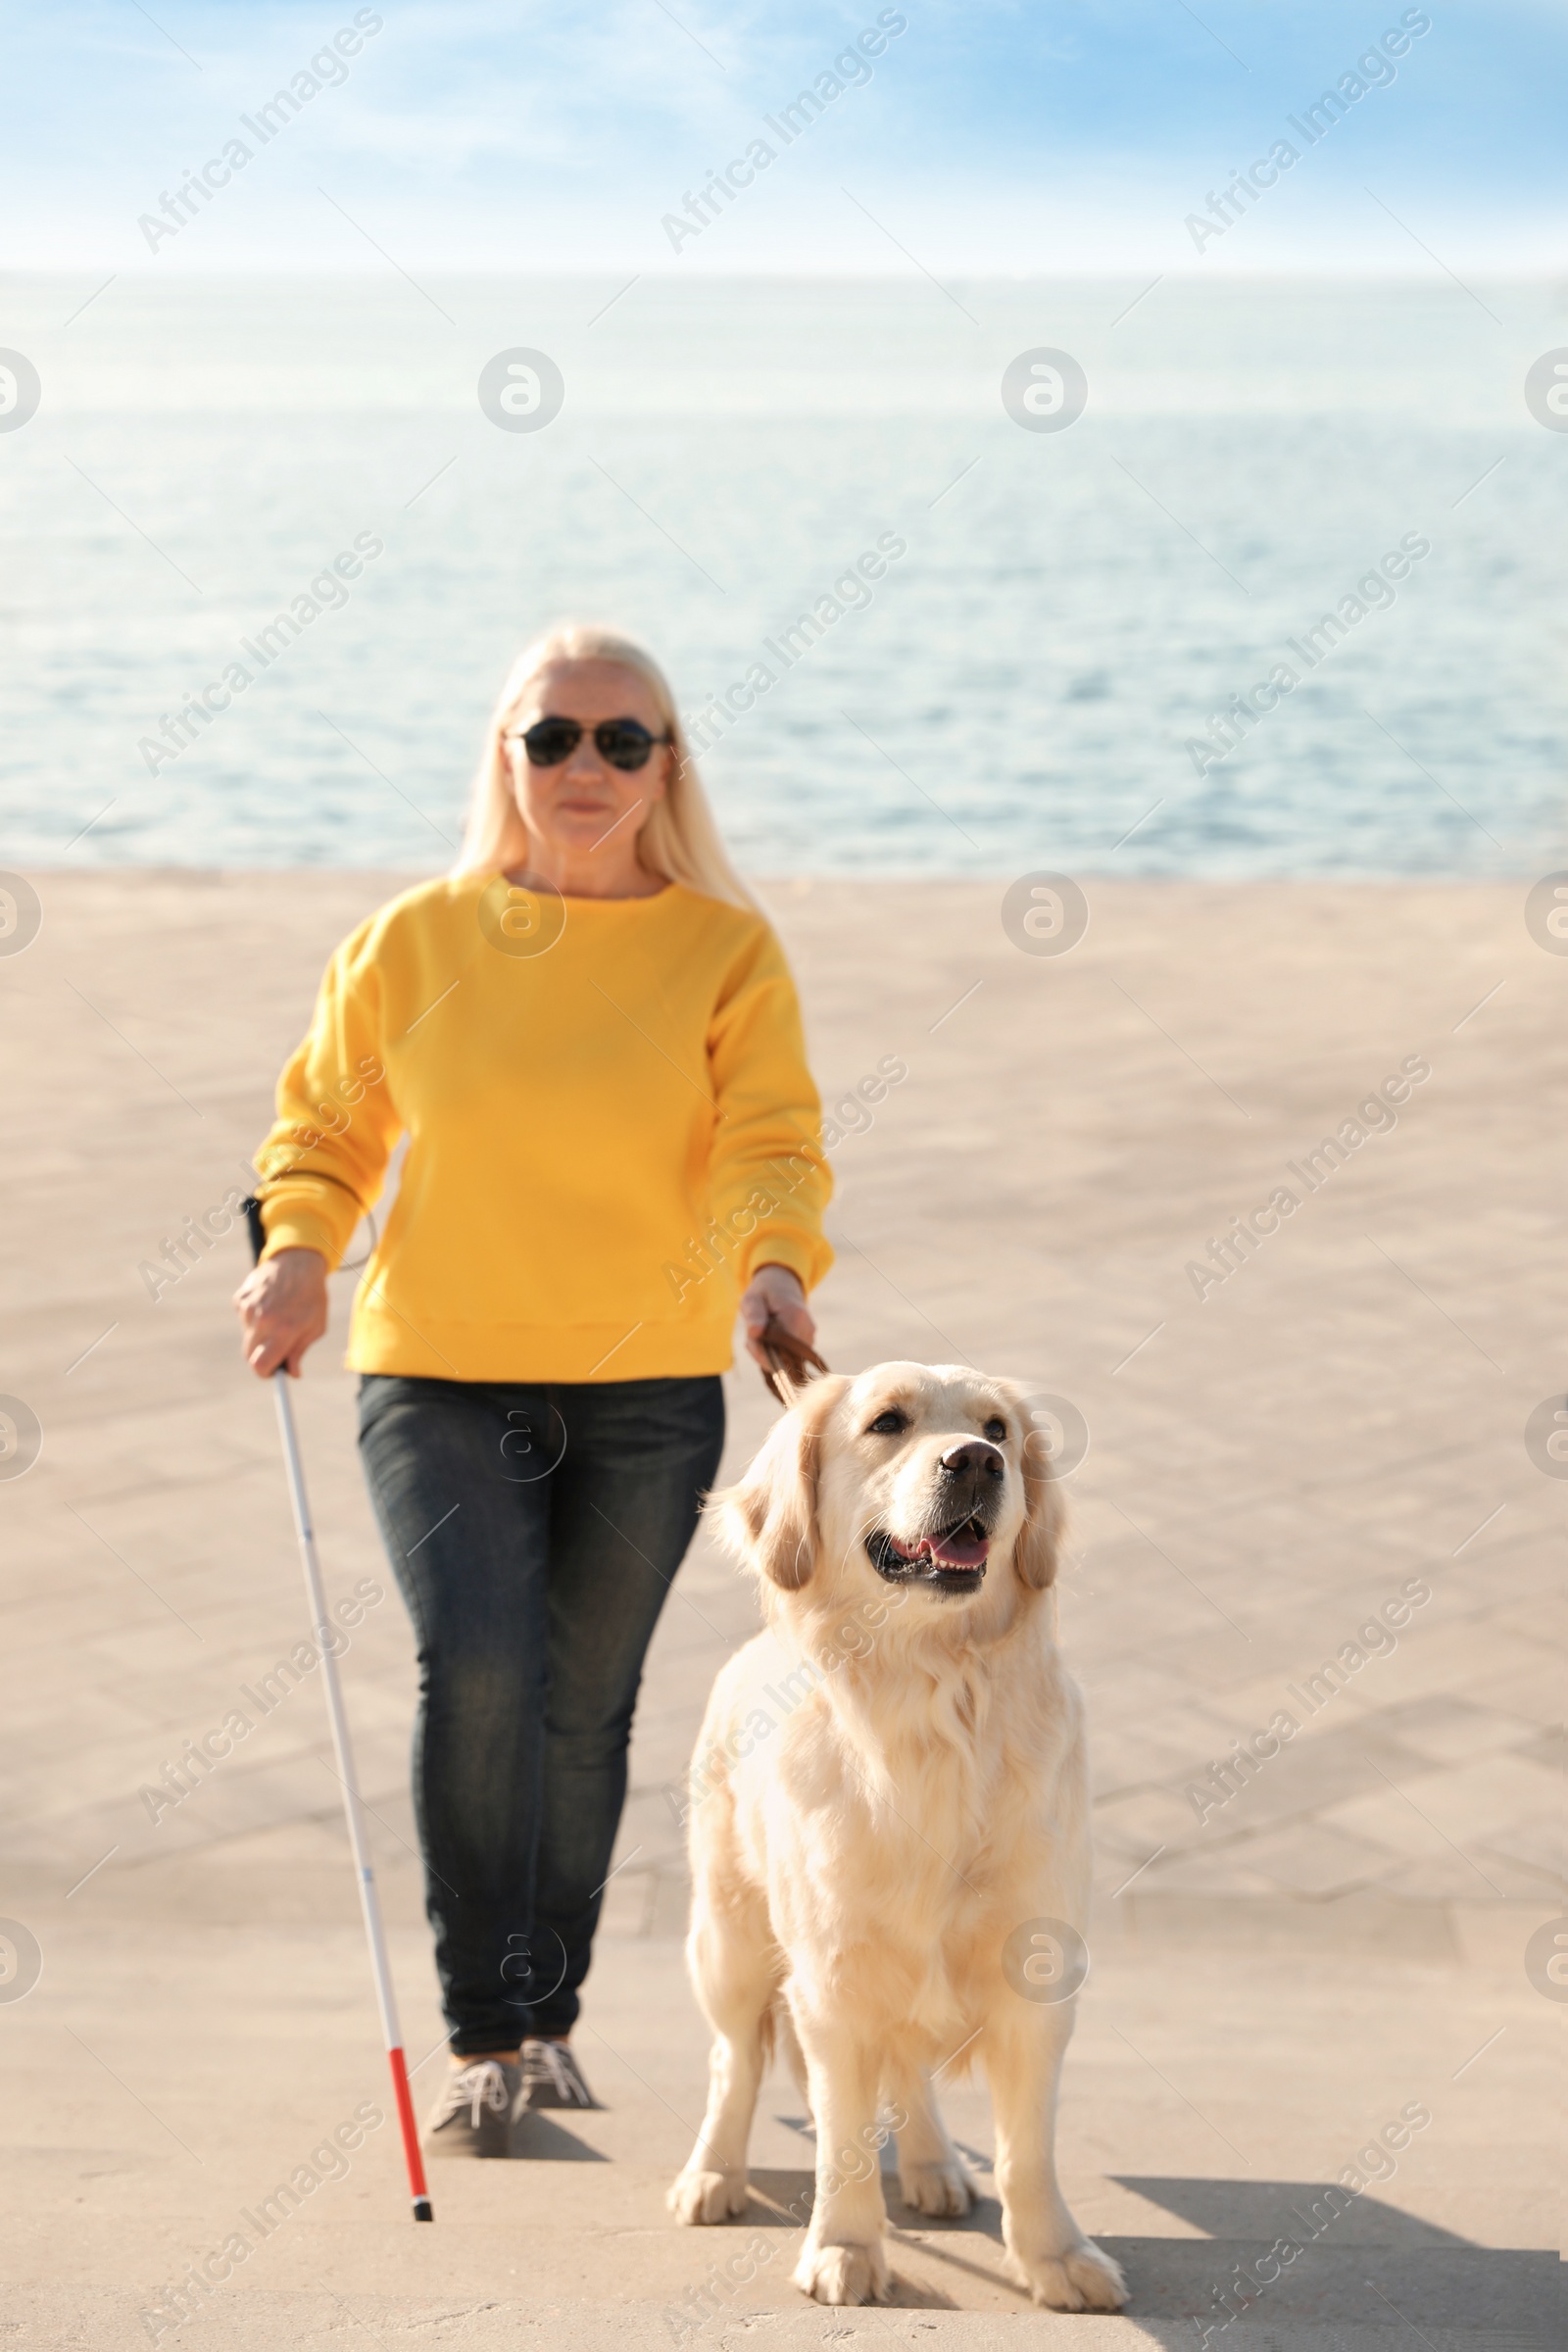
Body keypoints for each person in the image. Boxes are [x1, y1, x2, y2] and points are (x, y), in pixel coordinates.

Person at [233, 623, 832, 2153]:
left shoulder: (723, 952)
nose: (587, 766)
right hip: (433, 1367)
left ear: (667, 766)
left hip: (648, 1386)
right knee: (481, 1668)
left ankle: (545, 2011)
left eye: (622, 741)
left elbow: (771, 1138)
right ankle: (481, 2035)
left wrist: (773, 1264)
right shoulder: (412, 942)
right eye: (554, 736)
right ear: (506, 756)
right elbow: (324, 1131)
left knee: (586, 1709)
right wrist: (301, 1252)